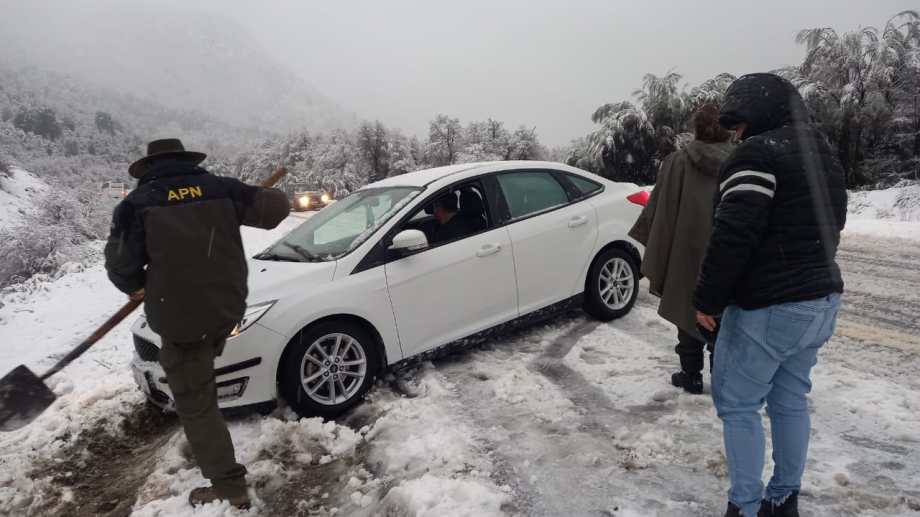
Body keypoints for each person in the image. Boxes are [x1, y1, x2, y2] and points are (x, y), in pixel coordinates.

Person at [104, 138, 289, 509]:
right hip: (227, 307)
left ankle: (229, 486)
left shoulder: (136, 205)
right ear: (186, 161)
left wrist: (140, 284)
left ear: (148, 168)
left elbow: (121, 268)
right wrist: (242, 201)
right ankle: (215, 427)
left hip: (181, 319)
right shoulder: (220, 188)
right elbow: (277, 208)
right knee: (201, 364)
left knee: (195, 400)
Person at [693, 74, 846, 517]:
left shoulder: (758, 154)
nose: (736, 135)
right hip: (820, 299)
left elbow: (733, 234)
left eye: (739, 124)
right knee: (790, 399)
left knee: (738, 404)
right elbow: (833, 222)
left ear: (759, 113)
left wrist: (707, 300)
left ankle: (743, 506)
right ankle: (783, 499)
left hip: (769, 306)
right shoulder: (822, 152)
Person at [628, 104, 734, 395]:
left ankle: (691, 376)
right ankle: (722, 379)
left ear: (696, 129)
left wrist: (659, 243)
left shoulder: (676, 162)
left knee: (686, 302)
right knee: (725, 312)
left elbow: (659, 209)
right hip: (729, 249)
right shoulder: (743, 160)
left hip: (685, 249)